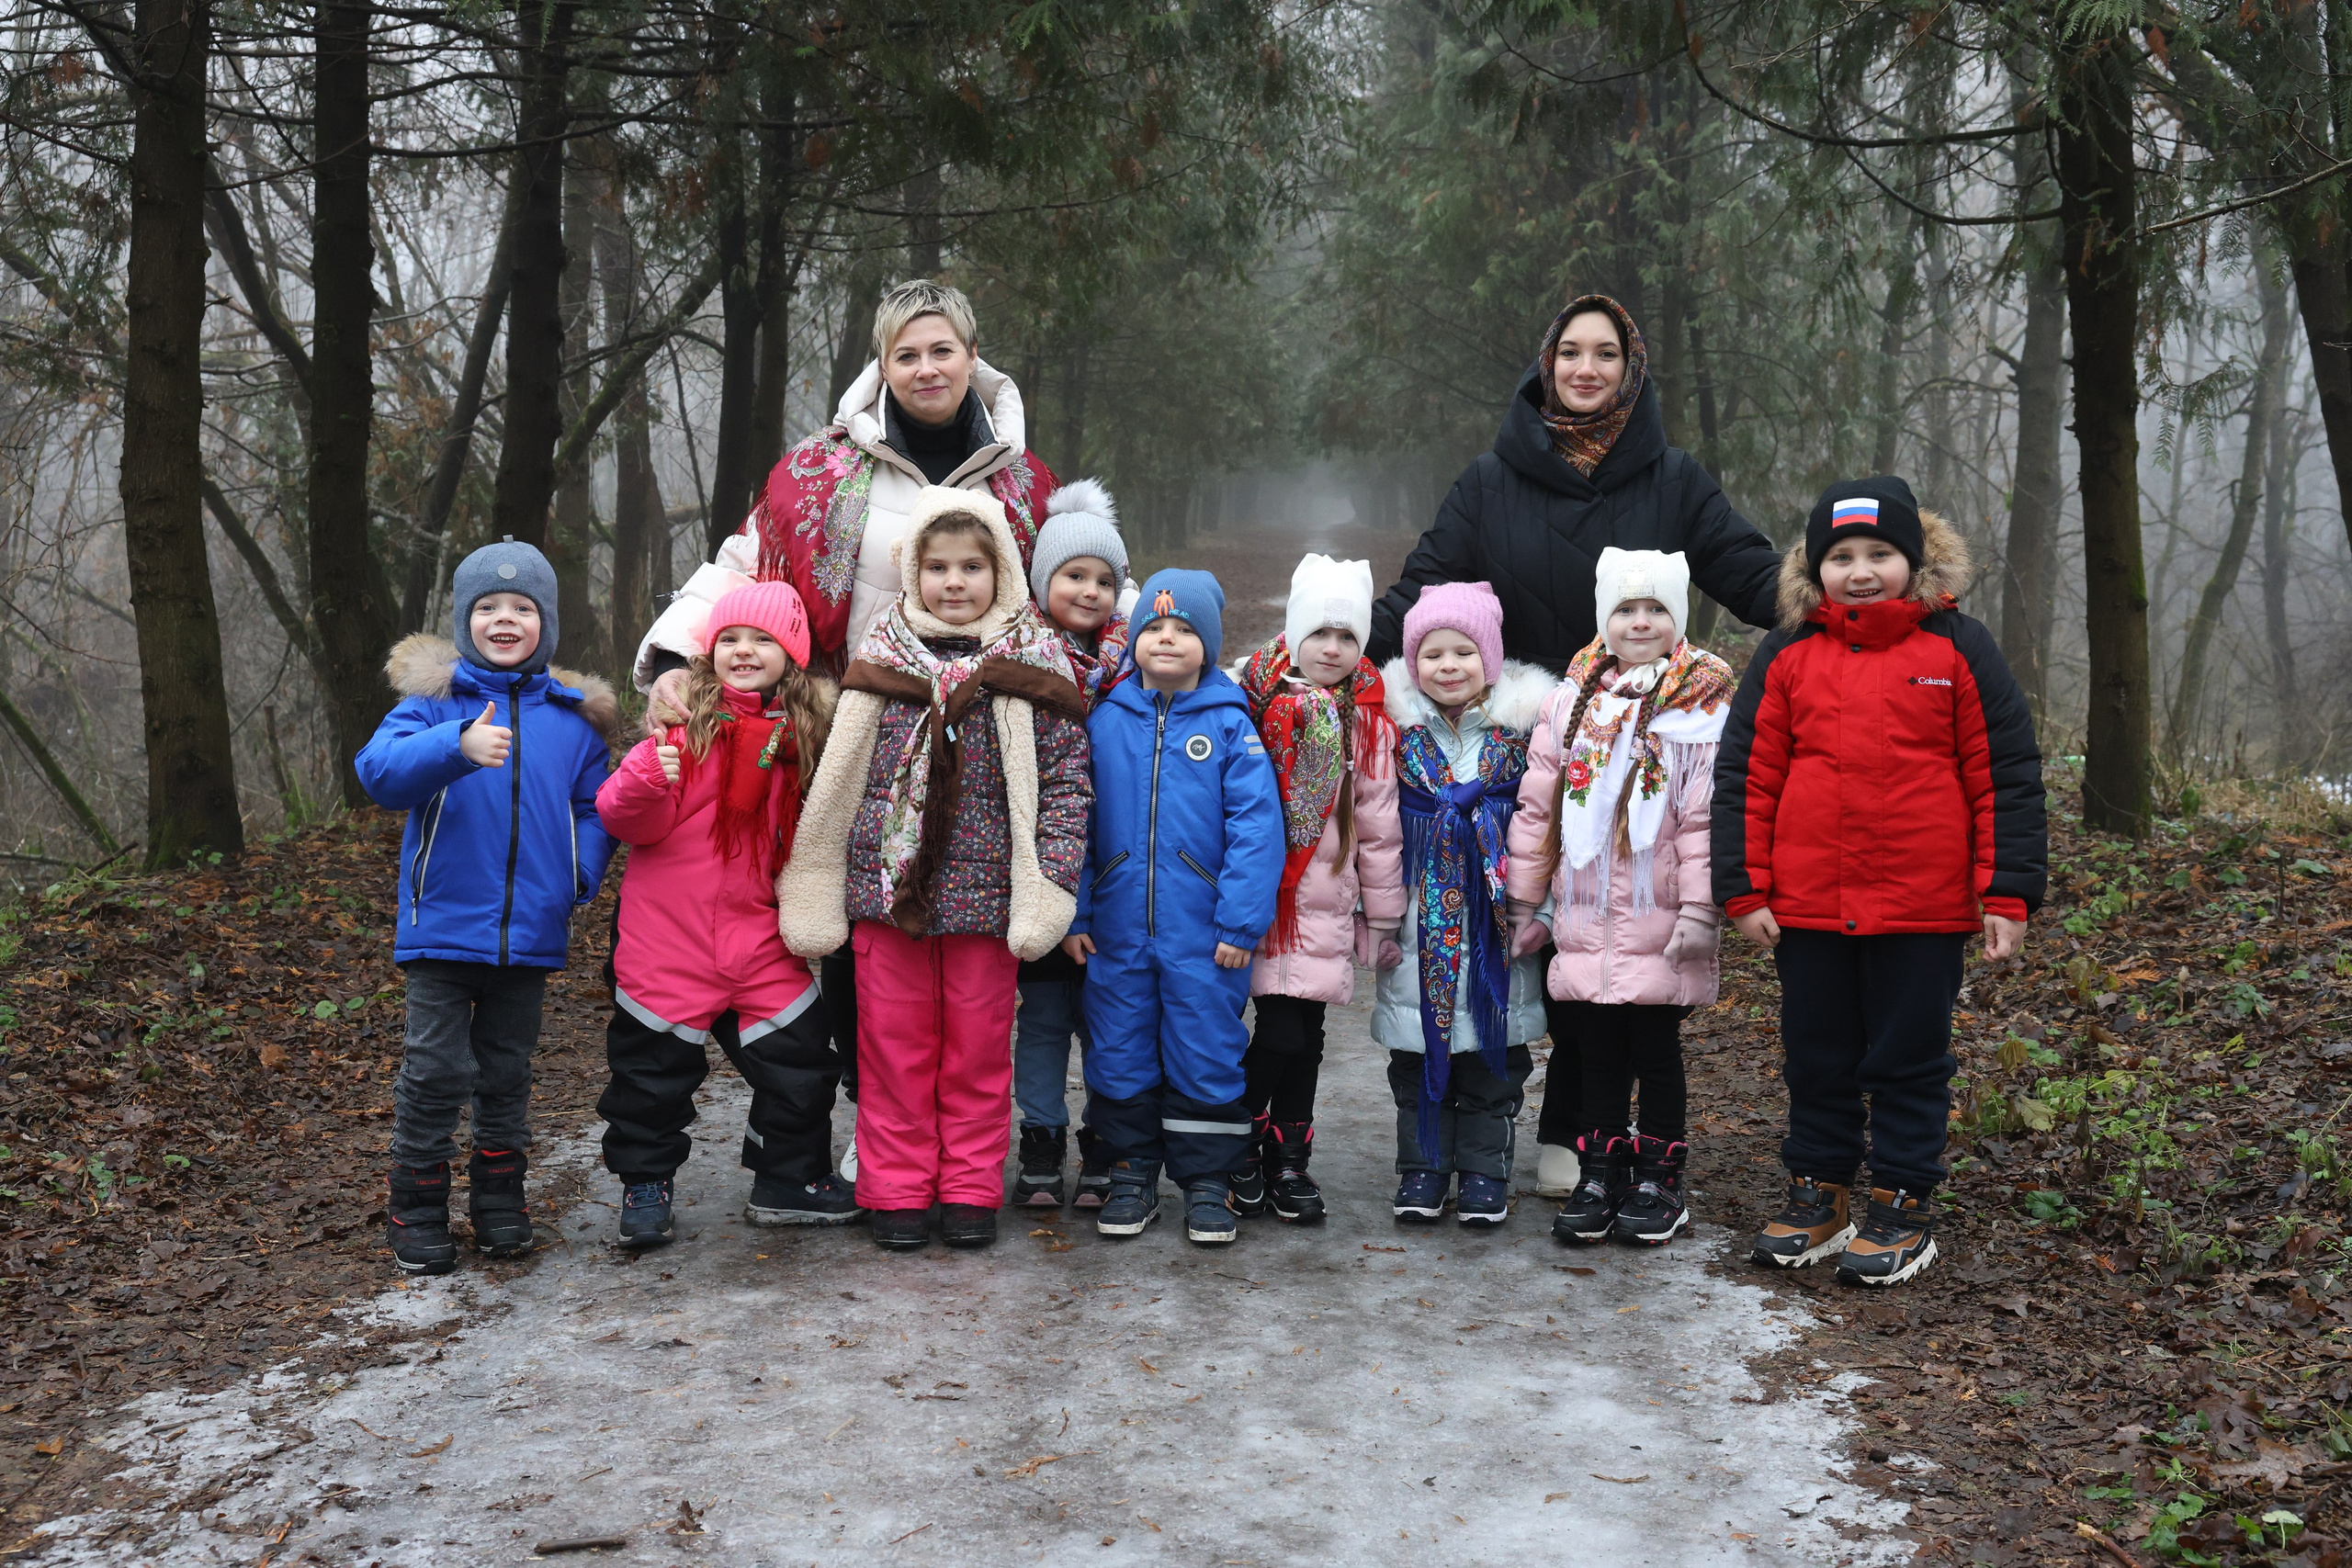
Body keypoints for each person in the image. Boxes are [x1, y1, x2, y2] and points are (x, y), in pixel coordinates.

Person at [634, 279, 1062, 1186]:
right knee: (852, 938)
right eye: (904, 353)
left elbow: (1072, 592)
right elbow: (742, 565)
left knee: (971, 949)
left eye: (941, 349)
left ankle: (969, 1144)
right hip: (847, 736)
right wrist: (677, 656)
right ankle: (877, 1128)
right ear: (882, 365)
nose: (925, 367)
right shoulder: (819, 472)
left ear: (972, 356)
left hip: (980, 748)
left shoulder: (1026, 481)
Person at [1368, 295, 1783, 1195]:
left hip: (1640, 747)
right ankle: (1557, 1118)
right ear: (1544, 365)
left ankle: (1576, 1129)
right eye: (1569, 353)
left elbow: (1748, 571)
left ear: (1630, 368)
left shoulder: (1674, 478)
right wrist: (1329, 649)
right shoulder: (1490, 480)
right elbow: (1422, 588)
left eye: (1604, 354)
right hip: (1529, 742)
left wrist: (1834, 601)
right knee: (1538, 932)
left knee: (1615, 932)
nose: (1585, 369)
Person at [1713, 478, 2045, 1287]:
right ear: (1814, 569)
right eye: (1841, 557)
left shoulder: (1959, 649)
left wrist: (2006, 892)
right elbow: (1746, 776)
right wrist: (1745, 887)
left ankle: (1902, 1200)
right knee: (1818, 1053)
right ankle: (1818, 1192)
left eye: (1880, 554)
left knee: (1907, 1056)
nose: (1861, 572)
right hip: (1811, 905)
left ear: (1915, 561)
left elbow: (2004, 775)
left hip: (1921, 909)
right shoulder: (1788, 654)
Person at [779, 489, 1091, 1252]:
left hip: (987, 900)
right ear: (913, 572)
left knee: (979, 1050)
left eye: (973, 567)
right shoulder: (880, 660)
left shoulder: (1034, 664)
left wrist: (1049, 882)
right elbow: (837, 783)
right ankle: (897, 1189)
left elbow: (1067, 787)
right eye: (939, 566)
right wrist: (819, 879)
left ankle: (970, 1188)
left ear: (1003, 572)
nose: (956, 582)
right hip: (890, 899)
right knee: (892, 1047)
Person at [356, 538, 617, 1275]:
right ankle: (417, 1199)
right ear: (464, 619)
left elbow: (593, 808)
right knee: (436, 1068)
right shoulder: (431, 706)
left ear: (548, 624)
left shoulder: (573, 721)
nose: (506, 619)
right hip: (442, 927)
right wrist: (454, 744)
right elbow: (378, 773)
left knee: (506, 1070)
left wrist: (578, 872)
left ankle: (501, 1198)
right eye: (489, 607)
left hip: (531, 931)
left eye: (523, 608)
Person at [593, 582, 850, 1249]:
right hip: (666, 940)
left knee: (801, 1061)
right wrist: (647, 772)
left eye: (763, 639)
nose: (744, 650)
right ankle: (645, 1182)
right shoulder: (682, 723)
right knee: (650, 1077)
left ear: (791, 655)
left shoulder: (808, 735)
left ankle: (787, 1177)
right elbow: (626, 820)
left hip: (757, 936)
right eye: (730, 638)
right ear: (710, 652)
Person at [1507, 549, 1736, 1247]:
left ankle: (1659, 1176)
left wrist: (1700, 910)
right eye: (1627, 609)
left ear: (1679, 618)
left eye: (1657, 608)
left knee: (1656, 1047)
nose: (1641, 621)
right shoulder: (1571, 701)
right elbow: (1538, 805)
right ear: (1605, 619)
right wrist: (1523, 897)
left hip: (1659, 911)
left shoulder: (1701, 707)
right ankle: (1599, 1167)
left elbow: (1703, 820)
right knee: (1594, 1047)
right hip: (1584, 909)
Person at [1064, 570, 1283, 1245]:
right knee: (1120, 1049)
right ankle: (1131, 1171)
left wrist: (1241, 920)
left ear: (1208, 646)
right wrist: (1074, 913)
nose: (1167, 639)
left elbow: (1256, 826)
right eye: (1155, 628)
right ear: (1134, 641)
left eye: (1184, 630)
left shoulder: (1229, 726)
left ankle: (1208, 1181)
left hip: (1204, 935)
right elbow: (1076, 818)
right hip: (1117, 929)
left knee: (1206, 1051)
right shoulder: (1106, 720)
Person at [1367, 582, 1554, 1225]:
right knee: (1415, 1058)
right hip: (1421, 927)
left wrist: (1538, 910)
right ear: (1412, 663)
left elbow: (1540, 827)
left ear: (1492, 659)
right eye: (1433, 653)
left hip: (1494, 926)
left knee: (1492, 1068)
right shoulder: (1398, 735)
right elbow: (1379, 830)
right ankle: (1422, 1168)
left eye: (1464, 652)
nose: (1448, 666)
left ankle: (1483, 1171)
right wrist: (1379, 918)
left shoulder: (1517, 738)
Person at [1231, 555, 1402, 1224]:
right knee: (1277, 1031)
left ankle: (1290, 1159)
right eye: (1320, 634)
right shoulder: (1252, 700)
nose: (1332, 649)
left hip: (1329, 898)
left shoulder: (1369, 721)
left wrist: (1382, 914)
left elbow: (1381, 826)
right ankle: (1236, 1139)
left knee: (1309, 1034)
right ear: (1294, 633)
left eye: (1348, 637)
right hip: (1266, 898)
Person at [1010, 480, 1131, 1210]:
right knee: (1046, 1017)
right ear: (1041, 581)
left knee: (1108, 1019)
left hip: (1112, 870)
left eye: (1104, 579)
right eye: (1073, 575)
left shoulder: (1136, 665)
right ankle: (1041, 1138)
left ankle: (1107, 1141)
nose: (1089, 591)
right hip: (1036, 868)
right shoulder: (1019, 660)